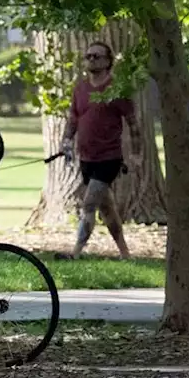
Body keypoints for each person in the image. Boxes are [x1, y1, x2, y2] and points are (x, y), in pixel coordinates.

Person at [56, 41, 141, 261]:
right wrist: (66, 141)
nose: (91, 60)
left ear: (107, 61)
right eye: (88, 56)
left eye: (96, 56)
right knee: (107, 208)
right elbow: (73, 119)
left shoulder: (117, 88)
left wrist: (136, 156)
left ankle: (75, 253)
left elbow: (133, 123)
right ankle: (125, 254)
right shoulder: (81, 88)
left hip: (109, 157)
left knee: (89, 203)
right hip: (87, 157)